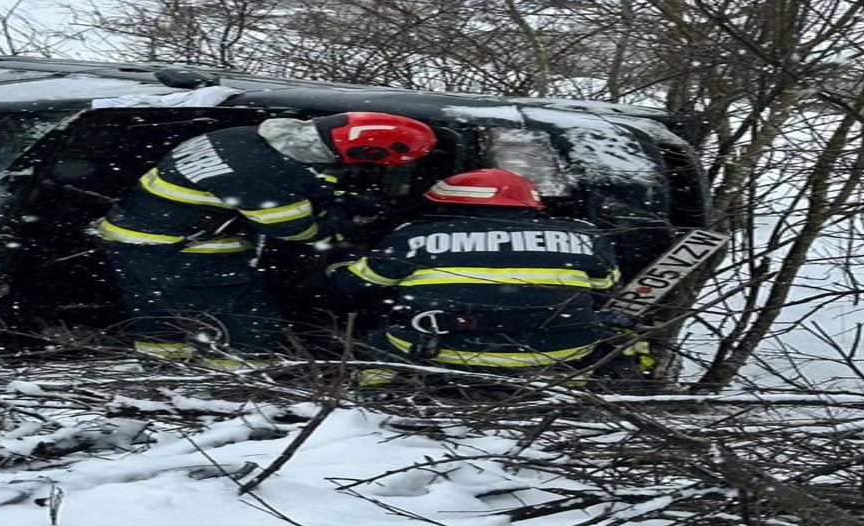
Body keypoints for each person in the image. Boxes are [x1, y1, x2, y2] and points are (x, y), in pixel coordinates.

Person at [95, 111, 437, 370]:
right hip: (183, 248)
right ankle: (240, 385)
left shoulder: (241, 137)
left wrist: (339, 198)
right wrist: (347, 228)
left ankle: (162, 375)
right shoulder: (263, 173)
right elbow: (295, 231)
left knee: (158, 315)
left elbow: (296, 181)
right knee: (250, 325)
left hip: (130, 236)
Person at [328, 168, 627, 388]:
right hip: (561, 350)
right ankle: (568, 396)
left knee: (376, 343)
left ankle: (375, 401)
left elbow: (353, 285)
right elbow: (606, 288)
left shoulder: (414, 237)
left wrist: (336, 261)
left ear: (450, 202)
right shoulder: (584, 234)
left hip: (449, 350)